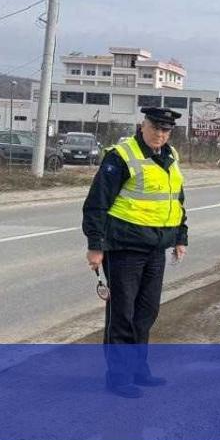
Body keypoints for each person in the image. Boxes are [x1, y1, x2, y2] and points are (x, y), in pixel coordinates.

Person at [82, 106, 188, 397]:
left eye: (166, 130)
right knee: (123, 315)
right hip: (124, 248)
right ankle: (118, 378)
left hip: (156, 248)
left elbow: (176, 200)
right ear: (143, 126)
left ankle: (139, 369)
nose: (160, 134)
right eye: (156, 128)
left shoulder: (170, 156)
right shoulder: (121, 156)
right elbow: (97, 203)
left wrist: (180, 237)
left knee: (146, 313)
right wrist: (95, 246)